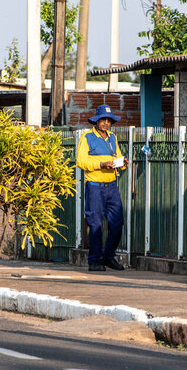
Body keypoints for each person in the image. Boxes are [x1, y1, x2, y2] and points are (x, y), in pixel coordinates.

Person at [76, 104, 129, 271]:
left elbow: (117, 156)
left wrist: (122, 163)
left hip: (112, 186)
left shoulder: (113, 137)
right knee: (96, 224)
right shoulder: (86, 137)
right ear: (96, 121)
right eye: (103, 120)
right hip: (94, 187)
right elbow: (81, 161)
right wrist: (101, 164)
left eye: (109, 120)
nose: (106, 123)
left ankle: (108, 256)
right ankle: (94, 261)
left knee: (117, 222)